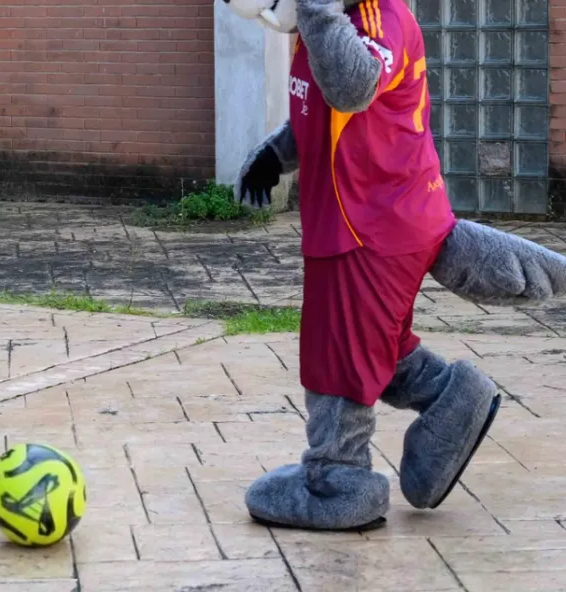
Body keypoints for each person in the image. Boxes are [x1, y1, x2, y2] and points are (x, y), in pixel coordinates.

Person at [226, 0, 566, 530]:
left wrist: (316, 8)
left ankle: (339, 481)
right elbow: (325, 112)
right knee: (373, 343)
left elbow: (352, 86)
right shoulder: (329, 26)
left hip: (372, 229)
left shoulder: (380, 19)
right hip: (365, 220)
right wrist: (277, 153)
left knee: (337, 355)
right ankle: (453, 395)